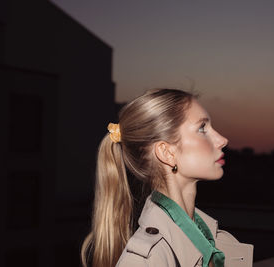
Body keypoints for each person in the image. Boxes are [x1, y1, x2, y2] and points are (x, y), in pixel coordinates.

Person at [81, 88, 254, 267]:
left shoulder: (209, 239)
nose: (222, 140)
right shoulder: (144, 261)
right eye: (202, 128)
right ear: (167, 153)